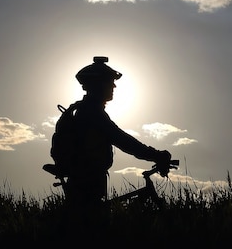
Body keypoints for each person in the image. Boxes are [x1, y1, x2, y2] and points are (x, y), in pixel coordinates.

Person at [55, 56, 172, 212]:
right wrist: (156, 155)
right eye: (109, 81)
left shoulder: (84, 110)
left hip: (83, 178)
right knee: (92, 227)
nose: (114, 86)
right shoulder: (92, 113)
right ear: (97, 85)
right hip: (87, 180)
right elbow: (122, 140)